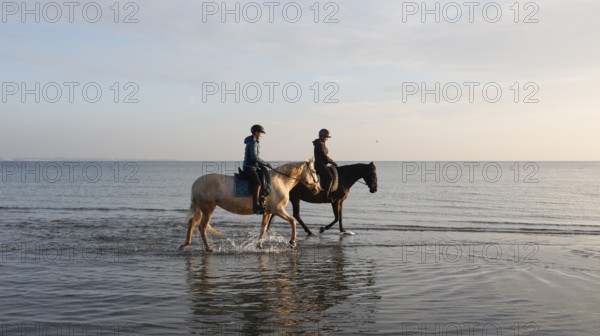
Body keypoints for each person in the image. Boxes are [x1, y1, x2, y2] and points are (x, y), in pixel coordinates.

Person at [243, 124, 272, 214]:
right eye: (261, 133)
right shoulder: (253, 143)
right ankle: (255, 207)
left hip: (253, 166)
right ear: (256, 133)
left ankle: (261, 200)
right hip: (249, 167)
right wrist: (266, 163)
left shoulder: (253, 141)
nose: (262, 135)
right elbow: (254, 157)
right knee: (258, 183)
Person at [313, 128, 337, 201]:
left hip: (322, 164)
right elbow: (324, 156)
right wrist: (332, 162)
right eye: (326, 137)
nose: (327, 138)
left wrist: (331, 161)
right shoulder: (319, 144)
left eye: (327, 137)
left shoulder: (321, 143)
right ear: (322, 136)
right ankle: (326, 196)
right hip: (320, 165)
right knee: (330, 178)